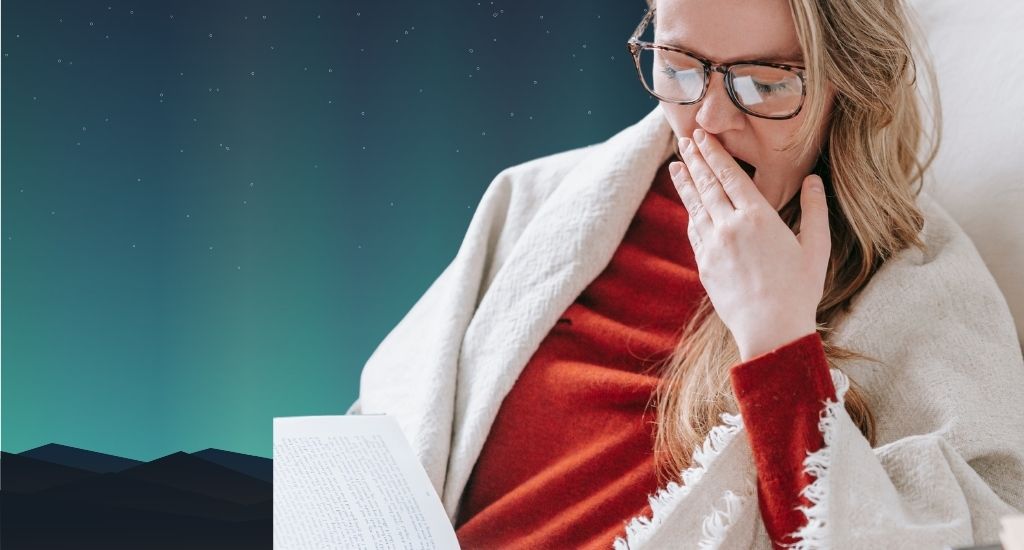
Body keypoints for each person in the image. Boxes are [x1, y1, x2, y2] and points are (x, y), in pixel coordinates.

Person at [348, 0, 1024, 548]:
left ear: (849, 85)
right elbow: (385, 430)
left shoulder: (920, 278)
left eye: (764, 84)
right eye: (678, 68)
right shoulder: (533, 201)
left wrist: (778, 339)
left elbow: (979, 522)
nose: (708, 123)